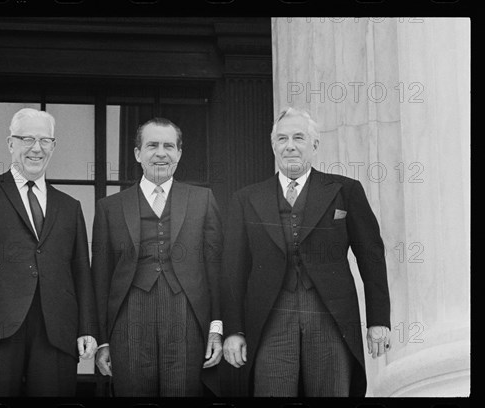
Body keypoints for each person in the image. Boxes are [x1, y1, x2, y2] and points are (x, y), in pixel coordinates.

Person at [221, 107, 391, 397]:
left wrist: (378, 320)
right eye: (282, 139)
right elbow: (233, 269)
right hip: (269, 321)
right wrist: (234, 330)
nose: (290, 146)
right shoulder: (246, 199)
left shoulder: (345, 190)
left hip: (331, 320)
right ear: (273, 146)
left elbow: (371, 257)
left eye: (298, 138)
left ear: (314, 145)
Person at [0, 108, 98, 396]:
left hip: (57, 330)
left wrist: (87, 327)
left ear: (54, 146)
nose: (36, 148)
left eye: (44, 141)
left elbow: (81, 270)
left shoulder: (69, 206)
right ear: (10, 143)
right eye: (27, 139)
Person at [92, 117, 223, 397]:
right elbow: (100, 278)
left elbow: (215, 269)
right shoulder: (109, 207)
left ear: (179, 153)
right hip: (129, 318)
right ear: (138, 153)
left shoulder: (203, 200)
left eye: (168, 146)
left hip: (187, 316)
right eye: (152, 145)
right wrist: (103, 340)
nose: (161, 153)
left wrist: (216, 329)